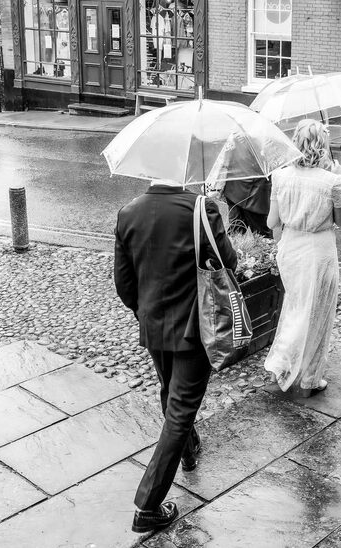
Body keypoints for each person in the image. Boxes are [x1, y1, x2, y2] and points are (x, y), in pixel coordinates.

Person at [114, 178, 237, 533]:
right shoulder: (201, 208)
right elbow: (229, 260)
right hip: (196, 327)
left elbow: (124, 283)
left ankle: (188, 449)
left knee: (170, 392)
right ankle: (148, 506)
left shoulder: (128, 213)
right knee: (181, 409)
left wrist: (146, 312)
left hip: (154, 325)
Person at [263, 119, 341, 396]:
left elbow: (272, 222)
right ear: (322, 146)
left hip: (291, 248)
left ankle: (283, 363)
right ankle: (310, 378)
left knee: (296, 307)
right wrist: (340, 183)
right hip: (319, 251)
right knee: (318, 313)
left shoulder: (280, 176)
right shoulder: (332, 180)